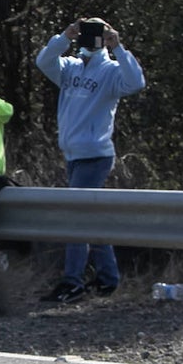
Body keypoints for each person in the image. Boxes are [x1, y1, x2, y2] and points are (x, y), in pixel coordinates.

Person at [36, 16, 146, 303]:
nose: (89, 37)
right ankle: (108, 278)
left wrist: (118, 47)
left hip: (95, 155)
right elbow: (43, 61)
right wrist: (65, 36)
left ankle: (73, 281)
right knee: (89, 217)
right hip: (73, 154)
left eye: (94, 32)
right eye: (86, 31)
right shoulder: (69, 66)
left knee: (76, 217)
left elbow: (136, 82)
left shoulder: (110, 71)